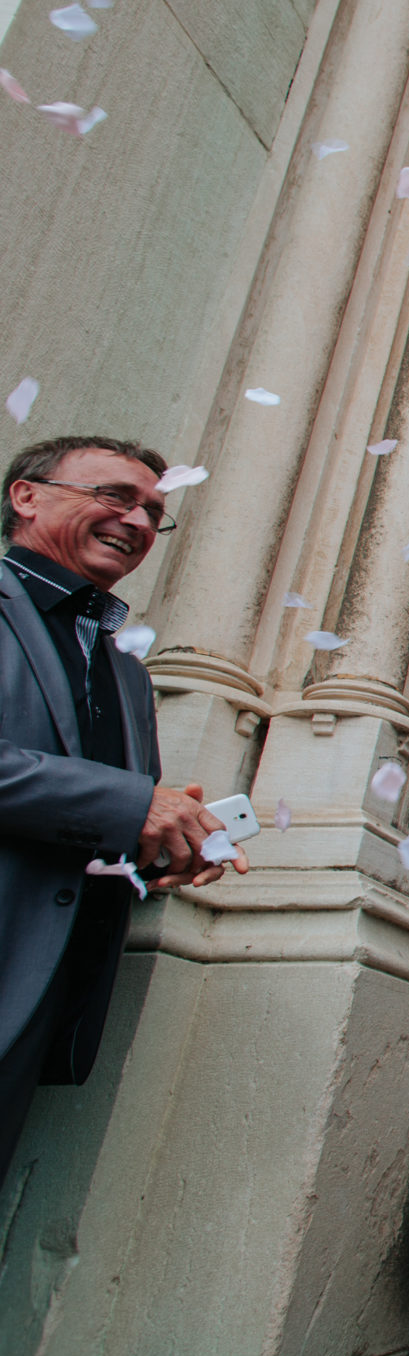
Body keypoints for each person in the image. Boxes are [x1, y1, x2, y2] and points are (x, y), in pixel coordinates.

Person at [2, 436, 247, 1189]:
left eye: (153, 512)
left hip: (33, 1004)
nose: (138, 520)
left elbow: (96, 827)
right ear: (27, 495)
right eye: (115, 495)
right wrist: (136, 804)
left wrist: (164, 848)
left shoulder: (127, 673)